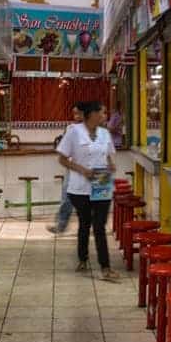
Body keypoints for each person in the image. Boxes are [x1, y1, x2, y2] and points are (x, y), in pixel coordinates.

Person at [56, 100, 119, 280]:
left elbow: (108, 155)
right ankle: (82, 258)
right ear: (91, 114)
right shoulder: (74, 132)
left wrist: (111, 165)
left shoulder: (105, 134)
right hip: (79, 187)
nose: (105, 116)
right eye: (102, 113)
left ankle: (105, 267)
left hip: (101, 184)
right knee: (85, 223)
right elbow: (62, 159)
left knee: (99, 225)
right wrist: (82, 170)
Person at [47, 102, 85, 234]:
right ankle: (61, 225)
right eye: (74, 113)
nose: (76, 116)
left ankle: (87, 226)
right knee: (67, 196)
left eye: (78, 113)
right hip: (72, 168)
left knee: (87, 200)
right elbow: (64, 148)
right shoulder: (70, 128)